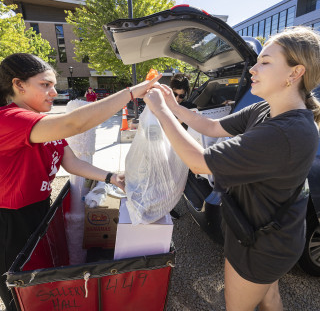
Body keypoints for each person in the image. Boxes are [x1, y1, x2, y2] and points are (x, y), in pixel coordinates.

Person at [144, 26, 320, 311]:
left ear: (295, 73)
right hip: (272, 236)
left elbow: (198, 161)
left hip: (260, 246)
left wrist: (160, 112)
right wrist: (172, 105)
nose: (253, 69)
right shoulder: (266, 109)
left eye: (265, 62)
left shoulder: (287, 132)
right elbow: (211, 126)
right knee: (268, 297)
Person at [0, 53, 161, 311]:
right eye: (45, 85)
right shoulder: (10, 119)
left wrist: (111, 177)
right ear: (19, 85)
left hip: (38, 208)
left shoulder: (43, 124)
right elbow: (75, 123)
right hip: (11, 220)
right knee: (20, 290)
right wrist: (131, 92)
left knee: (39, 282)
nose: (53, 92)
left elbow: (71, 162)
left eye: (53, 85)